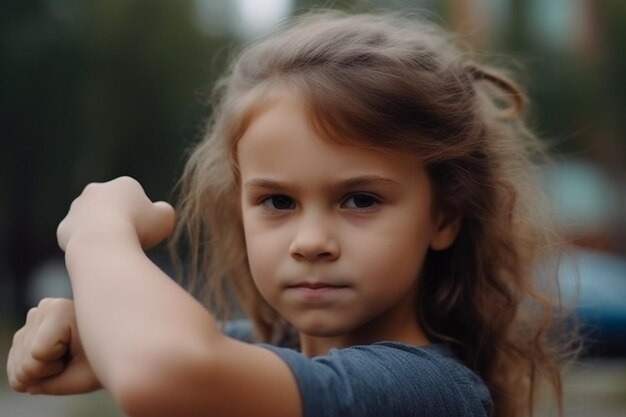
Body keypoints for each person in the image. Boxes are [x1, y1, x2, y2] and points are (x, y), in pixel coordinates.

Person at [7, 11, 576, 417]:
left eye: (360, 200)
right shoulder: (260, 347)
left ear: (444, 217)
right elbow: (164, 351)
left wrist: (98, 233)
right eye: (277, 201)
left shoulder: (429, 390)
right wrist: (89, 331)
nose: (311, 241)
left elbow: (163, 371)